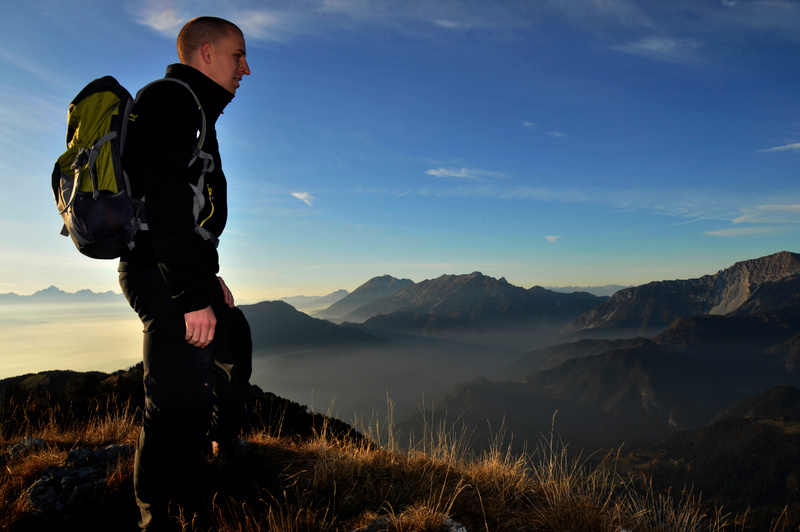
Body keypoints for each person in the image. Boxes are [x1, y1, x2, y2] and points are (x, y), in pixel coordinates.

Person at [118, 16, 253, 530]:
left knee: (233, 337)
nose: (246, 68)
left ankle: (221, 444)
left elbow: (191, 211)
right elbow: (168, 206)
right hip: (160, 273)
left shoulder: (194, 109)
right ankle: (157, 517)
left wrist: (208, 277)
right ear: (206, 53)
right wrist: (192, 294)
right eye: (238, 55)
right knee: (174, 400)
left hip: (180, 270)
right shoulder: (170, 101)